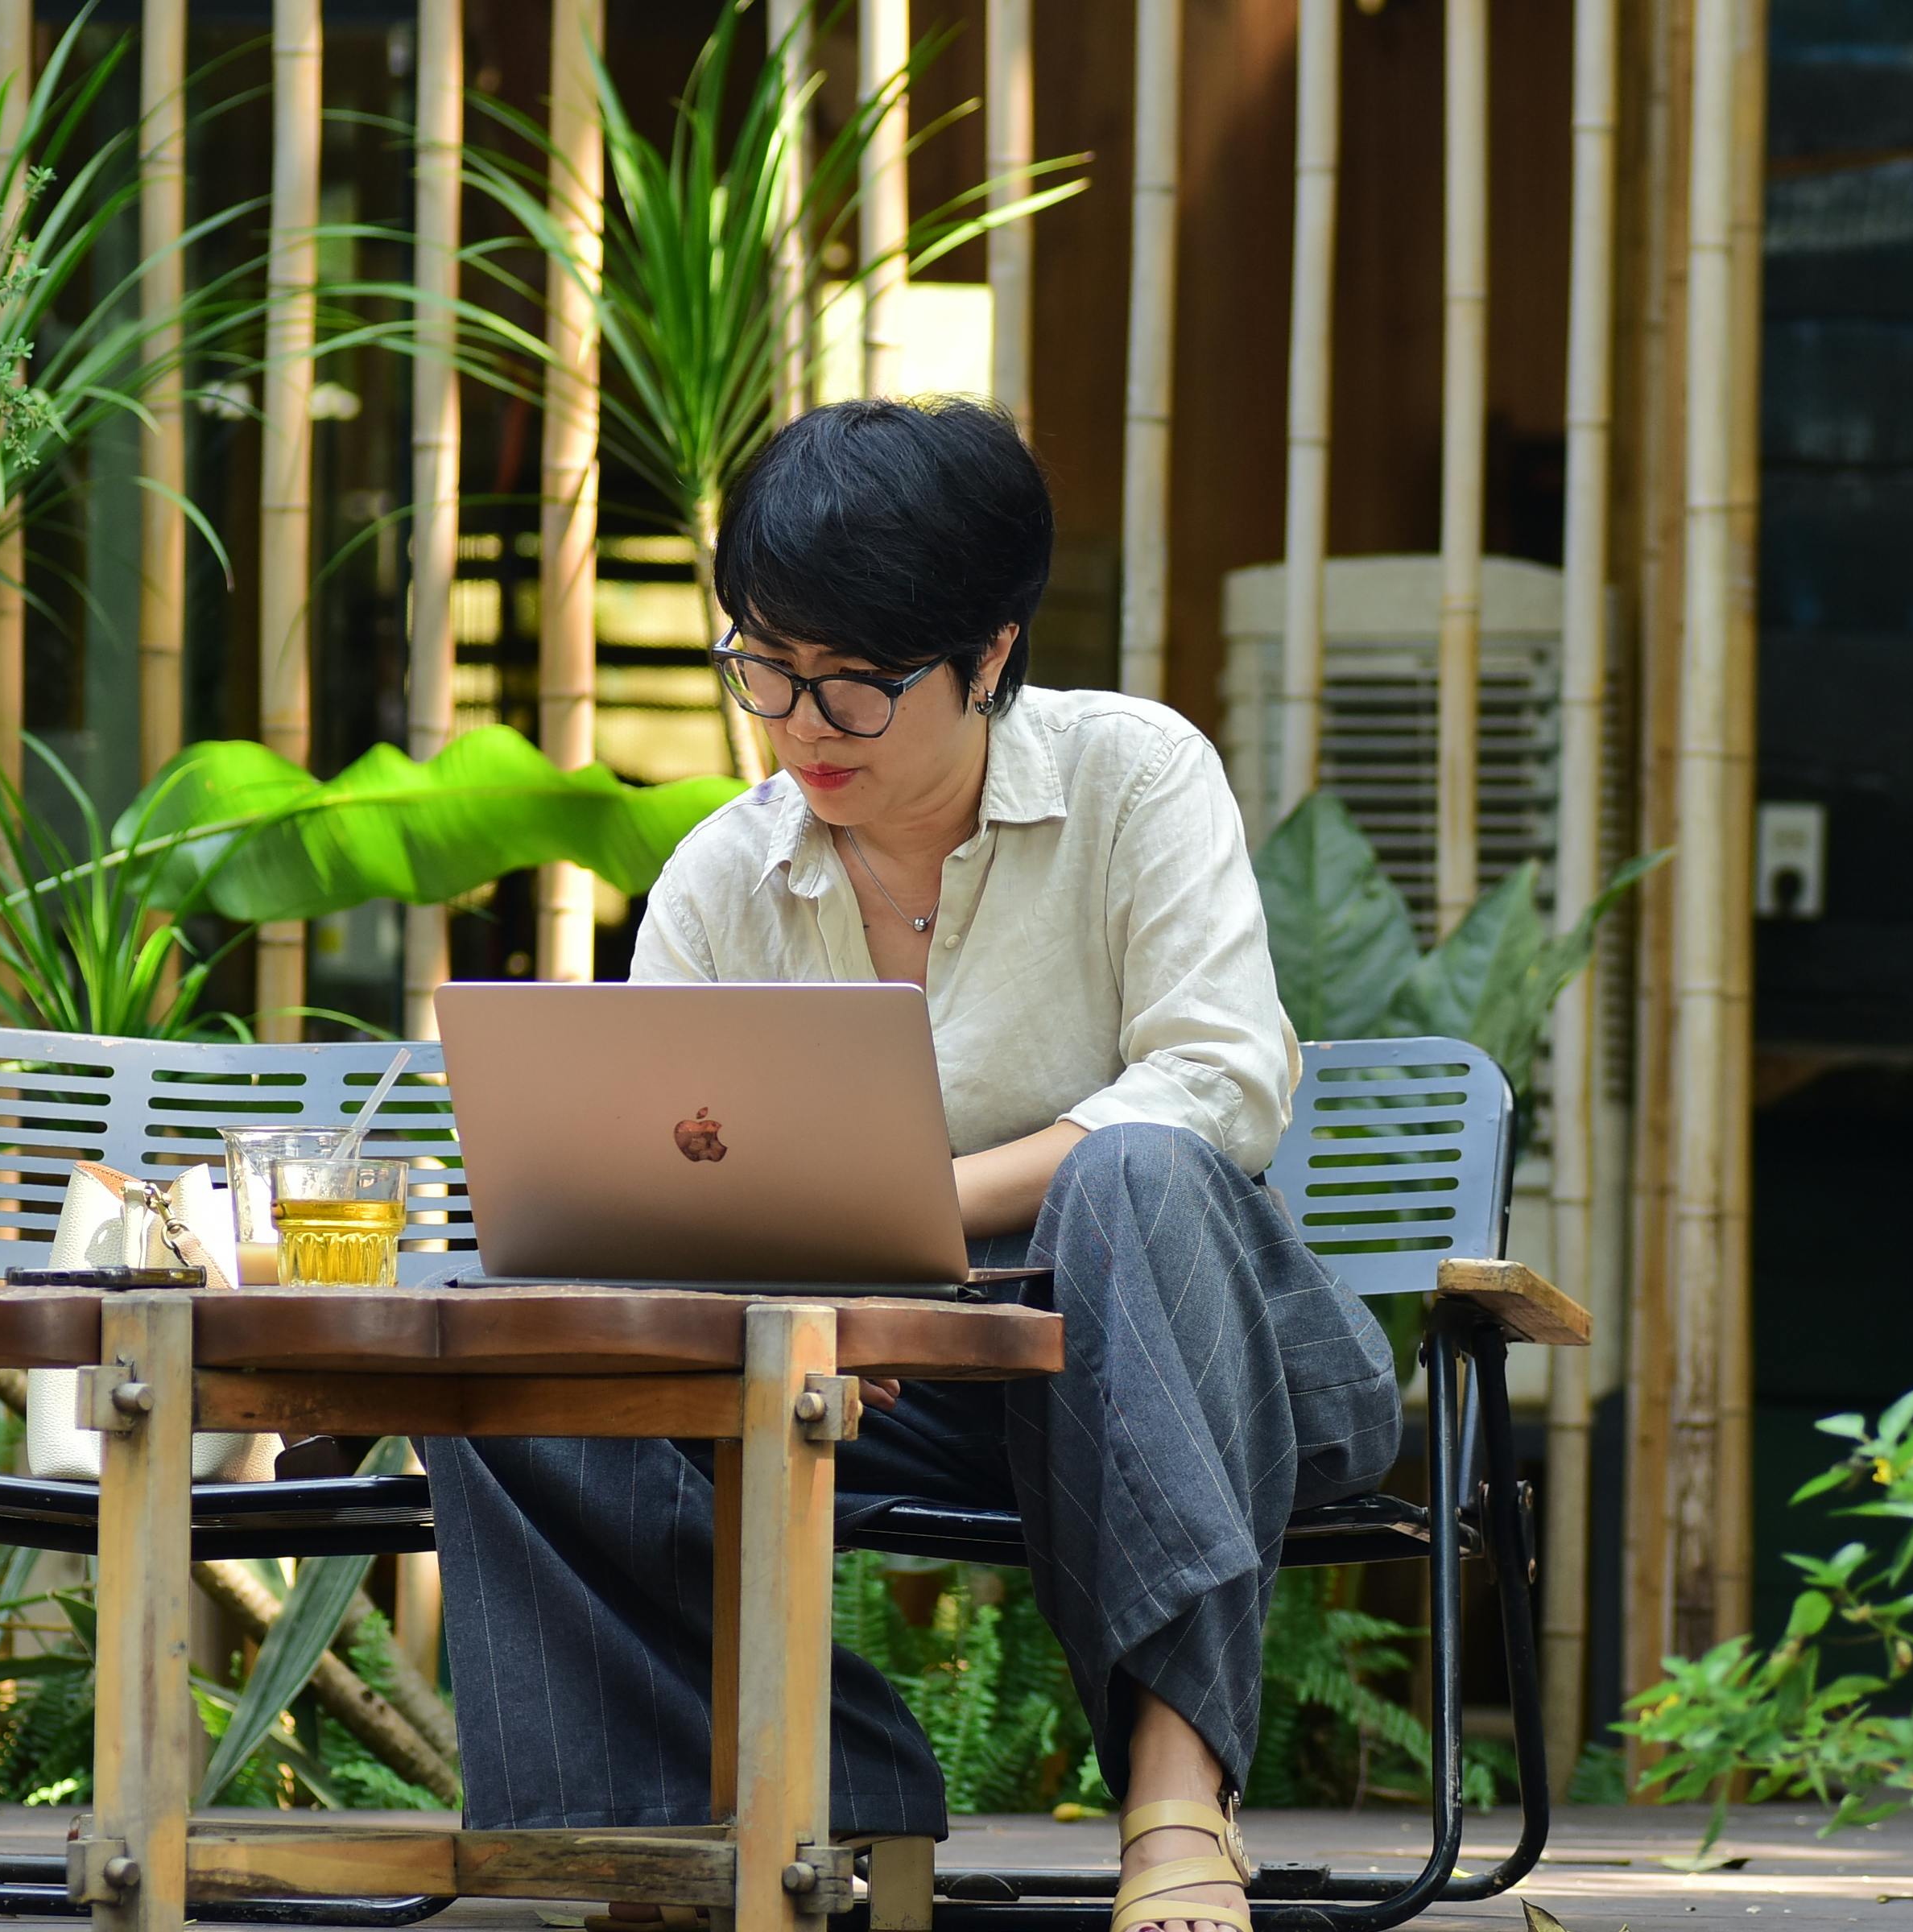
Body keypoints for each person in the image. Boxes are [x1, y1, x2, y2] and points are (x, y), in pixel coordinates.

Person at [424, 397, 1403, 1932]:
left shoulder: (1135, 778)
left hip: (1182, 1354)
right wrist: (805, 1308)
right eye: (767, 667)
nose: (803, 725)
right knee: (517, 1335)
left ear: (992, 657)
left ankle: (1173, 1803)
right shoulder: (725, 877)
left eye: (860, 686)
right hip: (881, 1380)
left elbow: (1217, 1084)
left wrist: (913, 1219)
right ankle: (746, 1812)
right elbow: (645, 1188)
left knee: (1132, 1170)